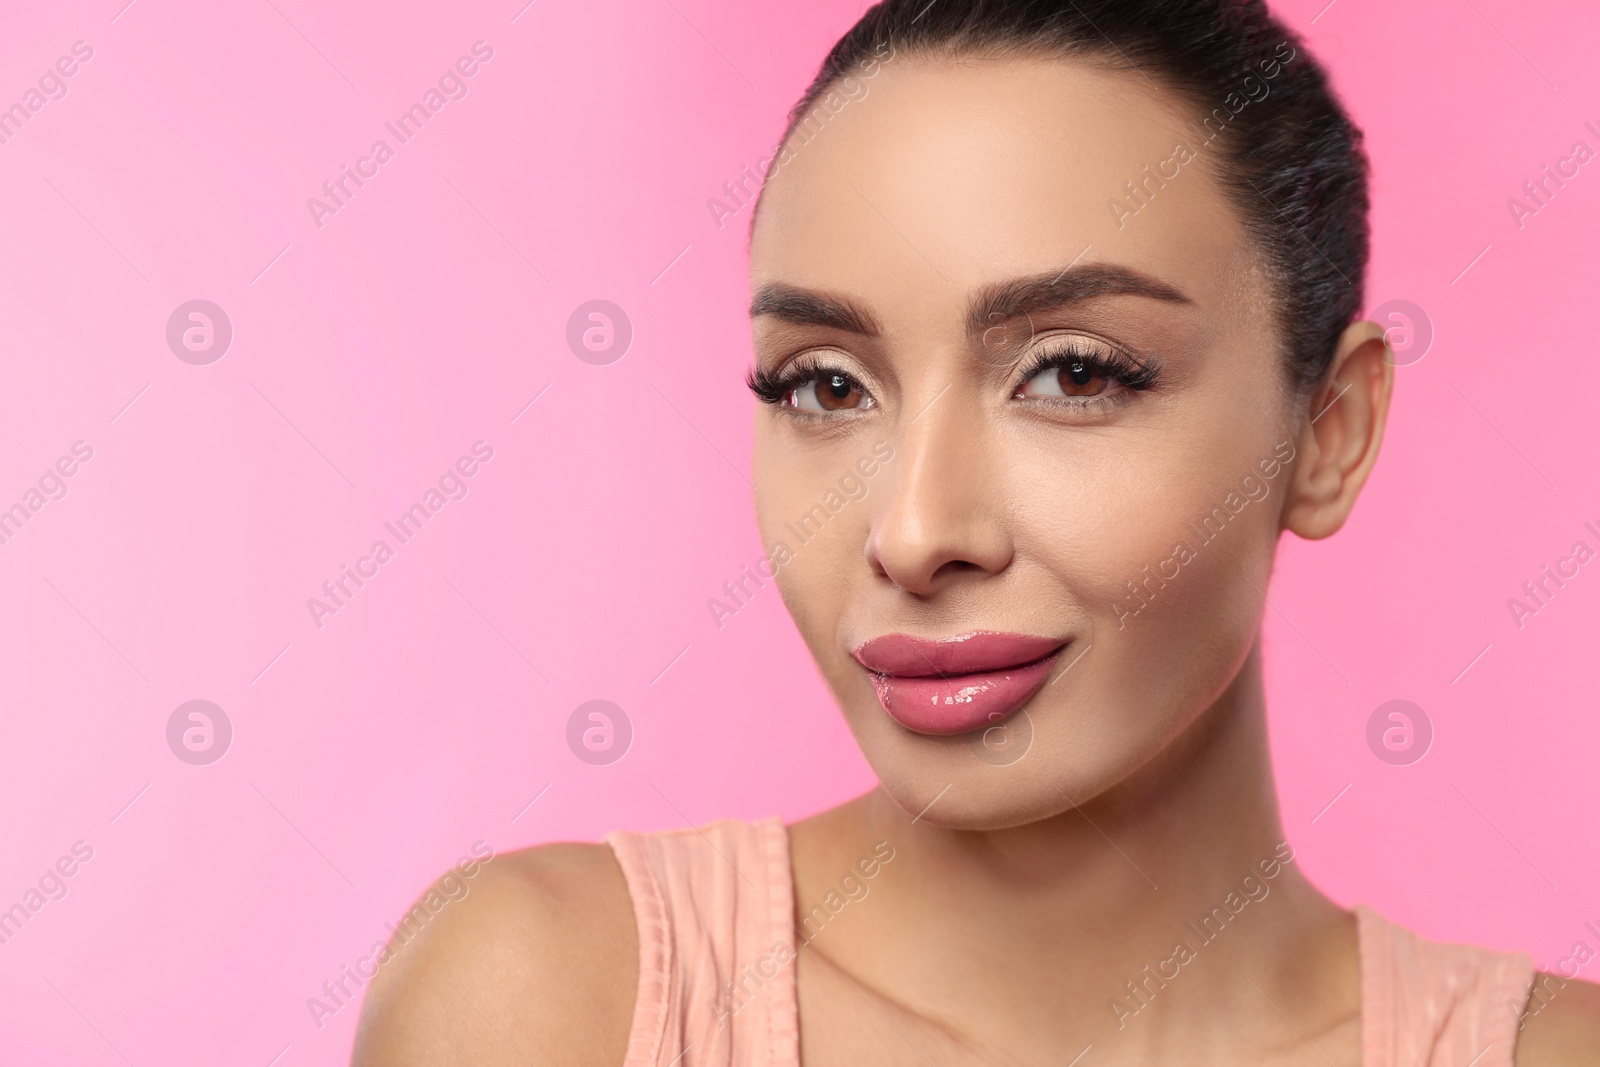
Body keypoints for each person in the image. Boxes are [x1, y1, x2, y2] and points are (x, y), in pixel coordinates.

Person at [352, 1, 1600, 1062]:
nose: (911, 531)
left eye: (1071, 372)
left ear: (1327, 429)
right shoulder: (555, 1001)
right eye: (825, 384)